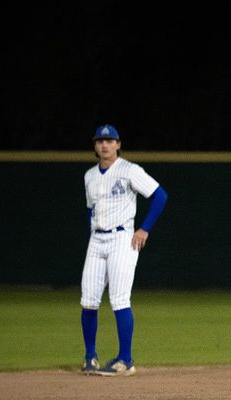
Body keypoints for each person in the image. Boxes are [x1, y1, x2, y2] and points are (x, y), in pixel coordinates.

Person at [80, 124, 168, 376]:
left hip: (122, 238)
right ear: (95, 145)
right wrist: (91, 235)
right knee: (88, 301)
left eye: (109, 140)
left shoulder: (129, 170)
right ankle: (90, 357)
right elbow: (90, 210)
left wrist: (145, 229)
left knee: (119, 299)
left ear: (118, 144)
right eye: (100, 141)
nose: (104, 145)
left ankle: (125, 360)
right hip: (97, 240)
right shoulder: (89, 176)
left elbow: (160, 195)